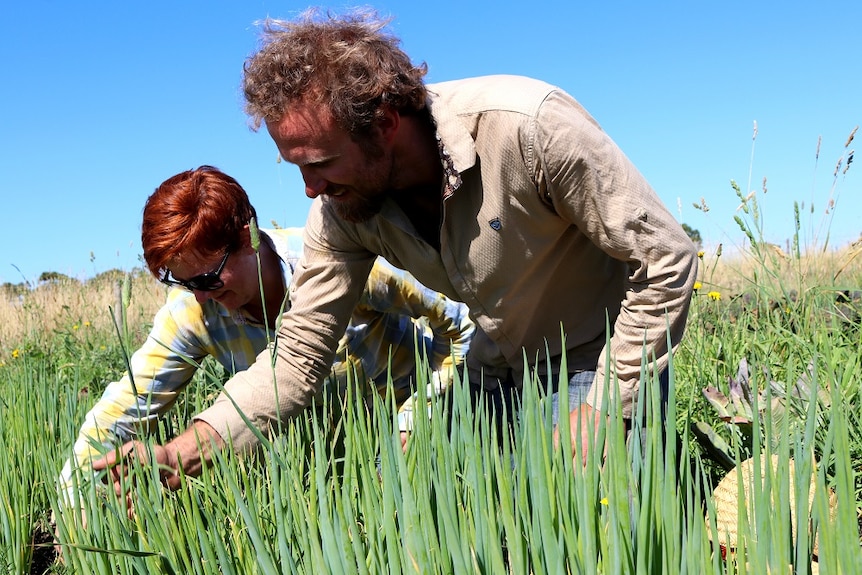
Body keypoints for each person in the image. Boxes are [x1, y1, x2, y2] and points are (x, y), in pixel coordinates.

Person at [97, 8, 698, 492]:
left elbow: (666, 257)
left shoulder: (527, 129)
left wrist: (605, 406)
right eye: (296, 169)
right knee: (439, 505)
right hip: (494, 364)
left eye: (320, 164)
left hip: (595, 353)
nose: (310, 190)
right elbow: (299, 353)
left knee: (594, 515)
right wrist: (185, 448)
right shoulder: (341, 210)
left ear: (384, 121)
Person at [58, 165, 473, 503]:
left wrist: (416, 420)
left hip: (412, 447)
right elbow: (120, 411)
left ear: (249, 238)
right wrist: (75, 512)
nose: (202, 299)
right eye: (187, 285)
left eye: (208, 280)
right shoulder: (193, 313)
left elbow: (463, 323)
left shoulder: (338, 265)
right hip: (320, 479)